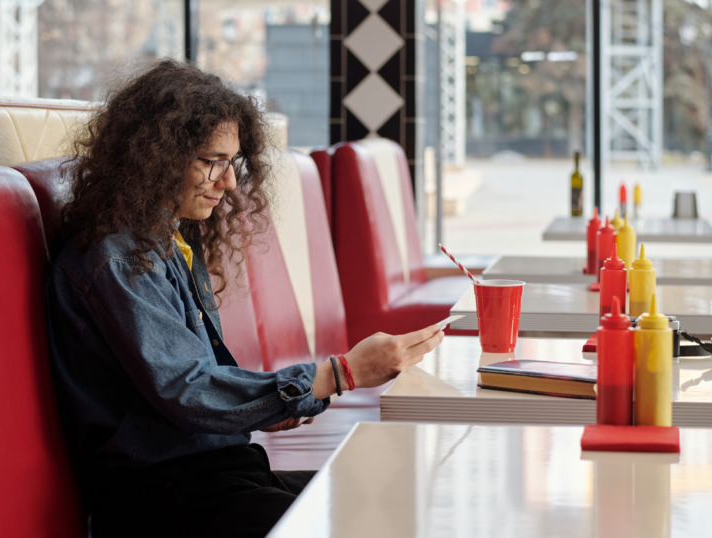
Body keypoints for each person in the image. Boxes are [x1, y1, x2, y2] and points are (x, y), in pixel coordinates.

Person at [46, 59, 443, 538]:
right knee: (364, 522)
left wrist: (263, 406)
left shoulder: (166, 240)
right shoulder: (116, 259)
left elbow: (195, 385)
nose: (229, 182)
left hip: (217, 473)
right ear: (155, 157)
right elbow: (188, 390)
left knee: (395, 499)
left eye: (232, 163)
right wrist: (341, 374)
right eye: (212, 161)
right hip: (162, 499)